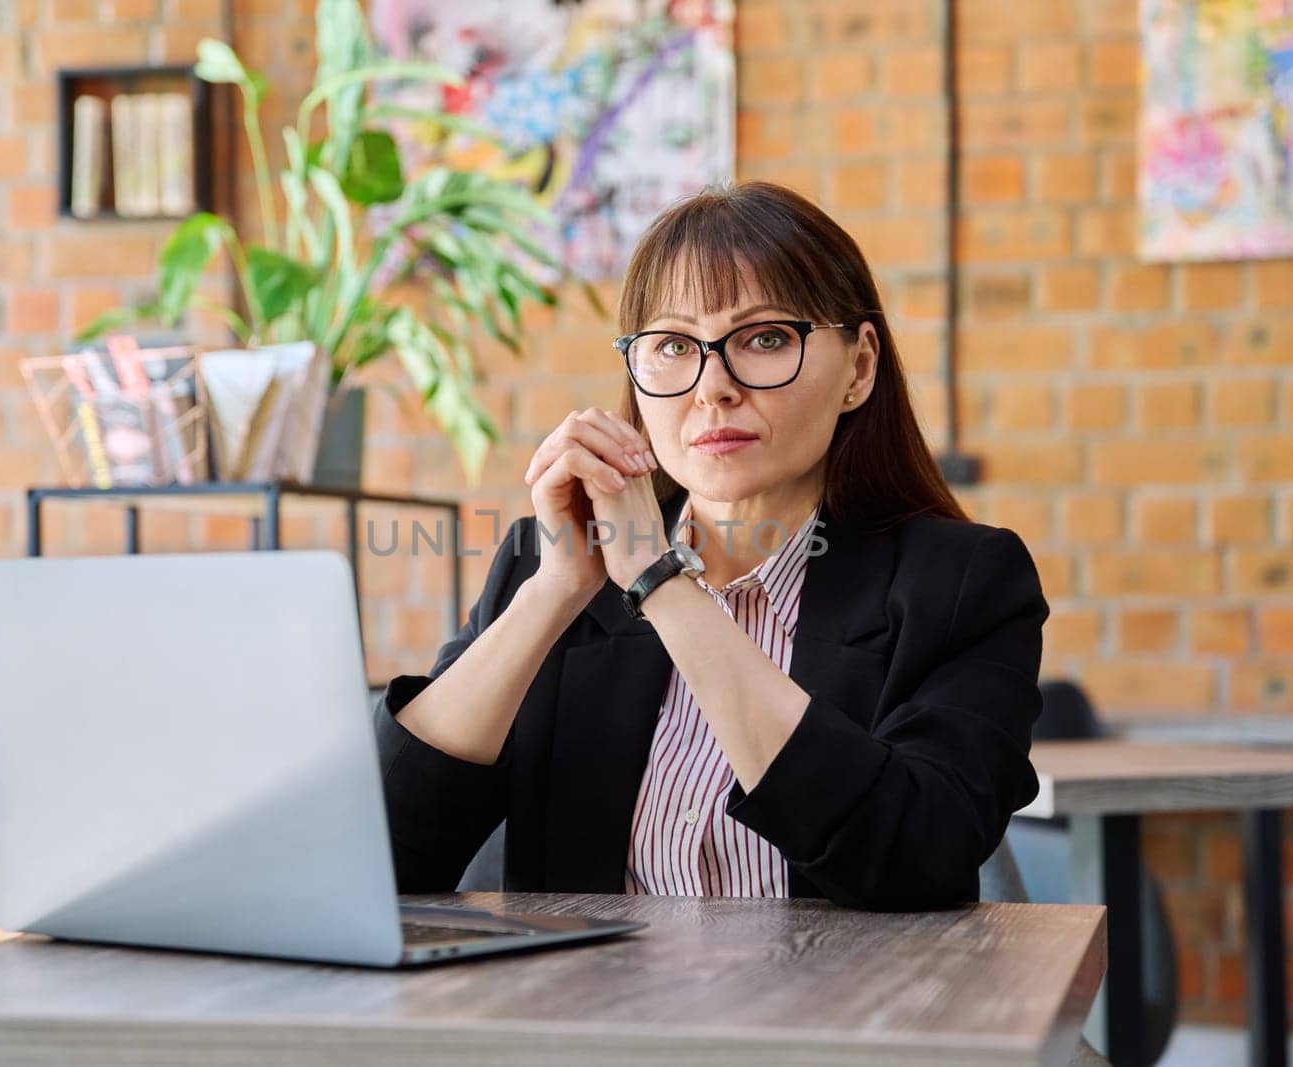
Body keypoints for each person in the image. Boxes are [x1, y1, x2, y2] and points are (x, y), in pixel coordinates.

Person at [373, 180, 1048, 910]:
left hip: (840, 1016)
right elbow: (384, 858)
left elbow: (914, 857)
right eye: (672, 345)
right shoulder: (547, 567)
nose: (713, 387)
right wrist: (553, 590)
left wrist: (661, 581)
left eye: (764, 339)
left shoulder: (963, 584)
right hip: (585, 1017)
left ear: (858, 367)